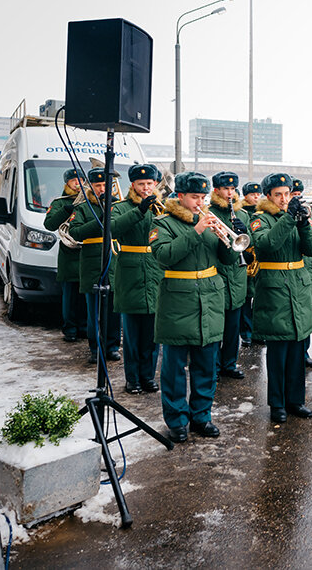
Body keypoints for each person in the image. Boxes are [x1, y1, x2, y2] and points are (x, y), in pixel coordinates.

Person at [150, 172, 235, 443]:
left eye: (203, 197)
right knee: (174, 368)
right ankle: (177, 420)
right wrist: (196, 231)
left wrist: (231, 241)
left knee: (207, 365)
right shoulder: (162, 223)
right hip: (178, 300)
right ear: (180, 196)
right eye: (194, 197)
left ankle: (202, 416)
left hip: (209, 299)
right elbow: (165, 256)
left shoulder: (212, 219)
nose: (200, 202)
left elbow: (228, 259)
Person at [249, 172, 312, 423]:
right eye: (278, 194)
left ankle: (296, 400)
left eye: (287, 194)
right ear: (268, 196)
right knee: (278, 352)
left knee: (297, 349)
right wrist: (290, 219)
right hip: (274, 290)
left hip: (299, 287)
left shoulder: (298, 216)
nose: (283, 199)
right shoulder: (260, 219)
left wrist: (304, 224)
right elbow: (268, 245)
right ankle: (277, 403)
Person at [110, 164, 163, 394]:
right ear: (132, 185)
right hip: (130, 274)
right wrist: (139, 210)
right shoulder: (121, 207)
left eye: (149, 184)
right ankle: (132, 378)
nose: (146, 188)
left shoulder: (163, 208)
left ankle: (148, 376)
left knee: (152, 335)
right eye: (141, 184)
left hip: (155, 272)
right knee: (131, 334)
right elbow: (112, 229)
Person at [66, 167, 121, 365]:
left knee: (114, 310)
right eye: (98, 185)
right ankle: (95, 348)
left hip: (114, 261)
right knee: (94, 312)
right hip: (91, 263)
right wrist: (101, 221)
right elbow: (76, 232)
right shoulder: (83, 207)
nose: (102, 188)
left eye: (105, 184)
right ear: (90, 186)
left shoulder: (119, 205)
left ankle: (113, 347)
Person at [208, 171, 252, 380]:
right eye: (225, 189)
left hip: (237, 276)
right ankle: (214, 365)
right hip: (218, 274)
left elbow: (248, 243)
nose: (229, 193)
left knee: (233, 327)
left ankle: (229, 363)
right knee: (216, 327)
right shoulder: (209, 213)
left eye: (233, 189)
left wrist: (245, 233)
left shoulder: (242, 214)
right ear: (216, 190)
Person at [43, 168, 87, 343]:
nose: (78, 183)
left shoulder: (89, 201)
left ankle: (84, 327)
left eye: (81, 180)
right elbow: (49, 224)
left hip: (87, 254)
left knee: (86, 296)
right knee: (70, 297)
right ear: (67, 183)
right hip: (69, 256)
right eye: (74, 180)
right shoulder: (59, 203)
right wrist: (66, 211)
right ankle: (70, 329)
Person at [292, 179, 312, 369]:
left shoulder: (307, 216)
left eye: (299, 196)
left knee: (307, 314)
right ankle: (299, 354)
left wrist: (309, 222)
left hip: (309, 269)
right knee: (298, 314)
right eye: (294, 196)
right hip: (296, 268)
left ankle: (305, 352)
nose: (297, 200)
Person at [239, 181, 261, 347]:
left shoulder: (261, 211)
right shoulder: (242, 212)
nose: (256, 197)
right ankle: (246, 333)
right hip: (244, 257)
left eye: (258, 194)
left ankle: (255, 331)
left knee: (257, 298)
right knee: (246, 298)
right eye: (253, 194)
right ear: (245, 196)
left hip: (256, 257)